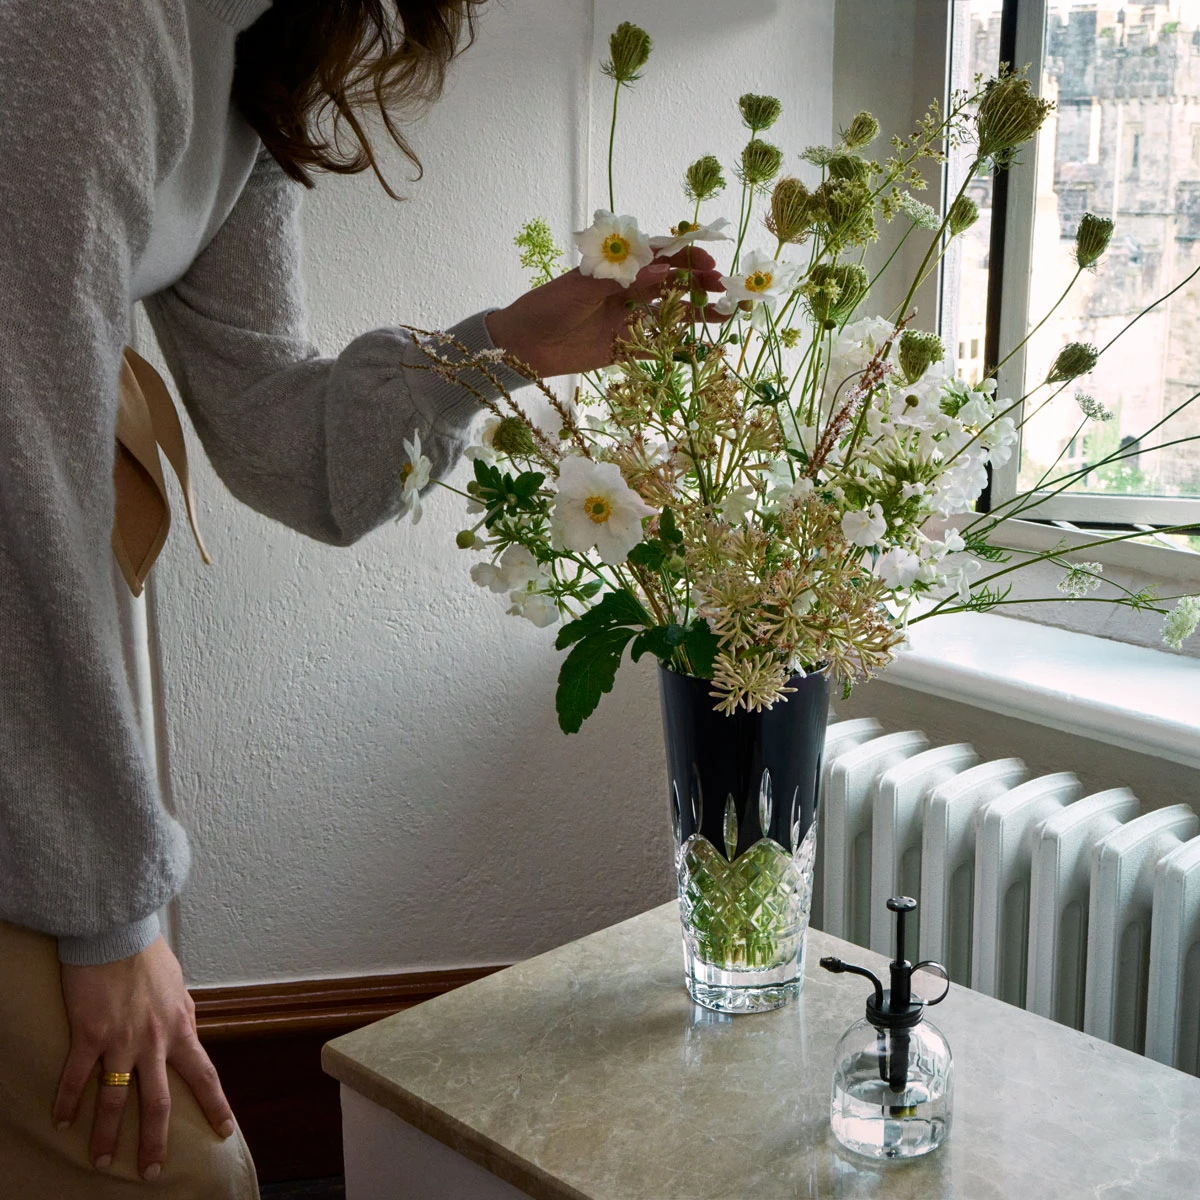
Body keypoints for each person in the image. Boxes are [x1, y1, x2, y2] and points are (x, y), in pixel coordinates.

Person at [0, 1, 721, 1195]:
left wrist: (503, 347)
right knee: (181, 1176)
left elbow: (286, 443)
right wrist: (110, 911)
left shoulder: (250, 51)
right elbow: (21, 473)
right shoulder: (88, 24)